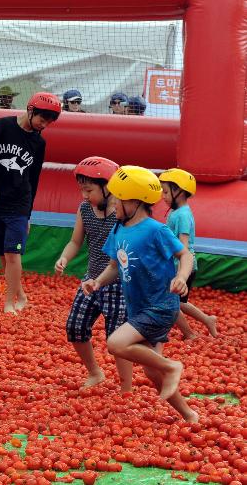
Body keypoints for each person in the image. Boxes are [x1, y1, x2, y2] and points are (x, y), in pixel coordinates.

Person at [83, 165, 198, 423]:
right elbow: (114, 265)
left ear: (134, 200)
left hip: (159, 306)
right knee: (152, 373)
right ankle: (190, 415)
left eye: (118, 199)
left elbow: (185, 254)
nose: (113, 203)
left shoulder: (156, 230)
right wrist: (97, 282)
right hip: (139, 309)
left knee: (116, 343)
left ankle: (172, 366)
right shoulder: (119, 229)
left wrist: (181, 277)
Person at [55, 157, 132, 391]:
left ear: (108, 187)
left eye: (89, 190)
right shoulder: (84, 209)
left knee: (116, 339)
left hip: (118, 284)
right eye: (81, 190)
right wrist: (64, 257)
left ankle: (126, 387)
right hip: (91, 280)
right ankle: (95, 372)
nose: (84, 195)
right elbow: (75, 241)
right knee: (75, 327)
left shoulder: (122, 212)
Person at [0, 92, 61, 314]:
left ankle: (9, 303)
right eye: (42, 119)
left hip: (19, 202)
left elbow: (33, 179)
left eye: (48, 122)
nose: (43, 125)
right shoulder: (2, 126)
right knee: (3, 255)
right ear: (30, 110)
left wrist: (27, 215)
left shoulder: (39, 142)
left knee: (13, 253)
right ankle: (22, 296)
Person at [159, 168, 218, 339]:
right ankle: (207, 319)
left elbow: (183, 246)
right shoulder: (176, 212)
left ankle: (189, 333)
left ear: (178, 191)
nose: (163, 196)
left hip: (182, 266)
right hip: (178, 265)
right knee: (179, 303)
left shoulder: (182, 215)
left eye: (165, 191)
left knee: (170, 304)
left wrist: (179, 274)